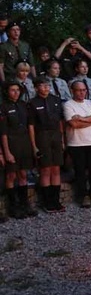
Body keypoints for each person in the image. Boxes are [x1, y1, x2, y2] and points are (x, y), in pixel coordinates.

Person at [64, 81, 91, 207]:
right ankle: (83, 196)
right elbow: (74, 124)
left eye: (84, 90)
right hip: (76, 143)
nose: (82, 92)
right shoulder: (68, 105)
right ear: (73, 91)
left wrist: (82, 118)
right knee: (80, 170)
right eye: (79, 90)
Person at [0, 81, 38, 217]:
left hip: (24, 143)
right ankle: (13, 207)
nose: (15, 93)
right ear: (6, 92)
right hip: (11, 143)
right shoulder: (3, 107)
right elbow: (3, 132)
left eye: (17, 90)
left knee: (23, 174)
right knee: (11, 175)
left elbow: (30, 126)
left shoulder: (24, 105)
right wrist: (6, 152)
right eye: (12, 90)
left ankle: (24, 204)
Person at [28, 76, 66, 212]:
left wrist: (62, 139)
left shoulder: (55, 100)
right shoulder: (32, 103)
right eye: (42, 86)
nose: (46, 88)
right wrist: (34, 145)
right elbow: (31, 126)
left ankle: (56, 201)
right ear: (36, 87)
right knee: (45, 169)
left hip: (55, 134)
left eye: (47, 86)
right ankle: (47, 202)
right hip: (42, 135)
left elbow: (60, 121)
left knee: (56, 168)